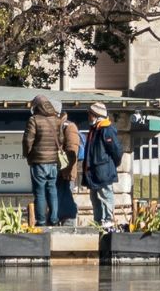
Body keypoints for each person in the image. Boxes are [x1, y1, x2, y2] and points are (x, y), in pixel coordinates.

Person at [22, 95, 78, 227]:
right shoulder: (57, 121)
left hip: (39, 162)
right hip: (54, 163)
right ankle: (53, 219)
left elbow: (27, 141)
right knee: (52, 190)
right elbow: (61, 141)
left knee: (40, 192)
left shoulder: (34, 120)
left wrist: (27, 155)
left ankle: (41, 221)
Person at [81, 102, 123, 229]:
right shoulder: (95, 129)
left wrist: (110, 165)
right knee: (95, 198)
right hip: (94, 172)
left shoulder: (106, 130)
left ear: (96, 115)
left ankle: (108, 219)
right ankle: (98, 220)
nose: (89, 117)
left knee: (105, 195)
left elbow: (117, 150)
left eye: (90, 114)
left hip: (102, 171)